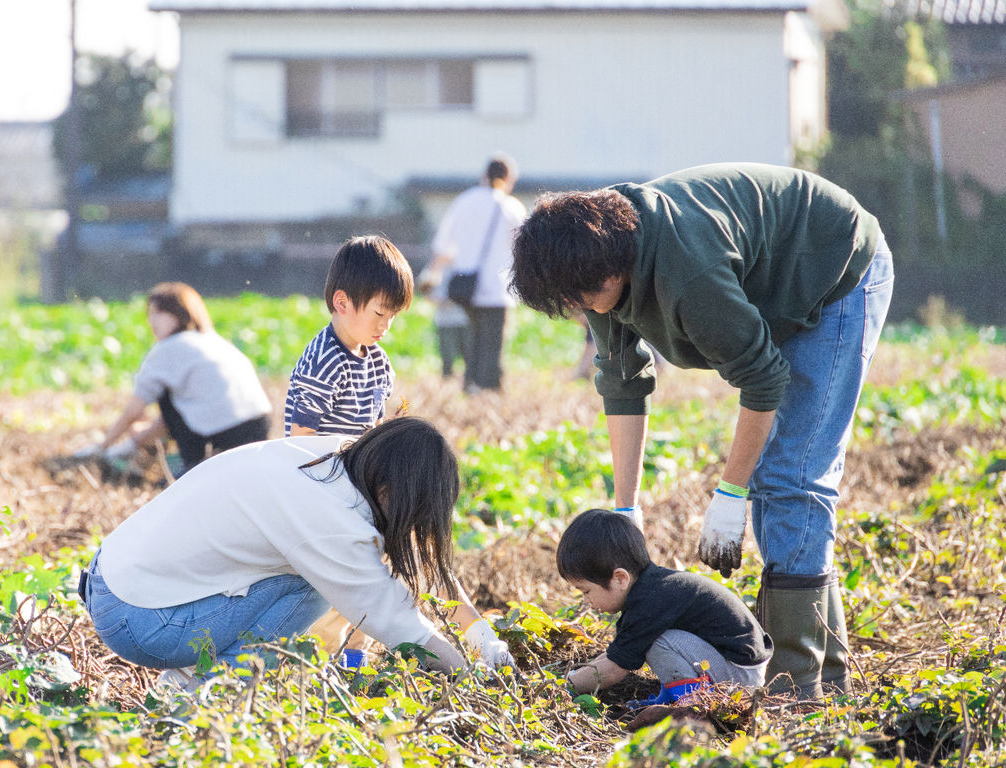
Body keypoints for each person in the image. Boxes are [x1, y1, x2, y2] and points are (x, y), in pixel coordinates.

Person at [510, 162, 895, 699]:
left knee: (791, 477)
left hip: (834, 269)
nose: (580, 314)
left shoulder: (685, 275)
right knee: (779, 479)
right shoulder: (595, 258)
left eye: (581, 302)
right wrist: (627, 508)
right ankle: (802, 664)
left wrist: (730, 494)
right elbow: (623, 384)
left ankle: (804, 686)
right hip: (768, 281)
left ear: (611, 272)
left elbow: (763, 379)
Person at [79, 417, 515, 690]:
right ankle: (212, 693)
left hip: (120, 582)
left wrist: (483, 639)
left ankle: (190, 677)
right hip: (136, 618)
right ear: (392, 491)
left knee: (318, 578)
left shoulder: (339, 459)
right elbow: (392, 620)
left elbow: (422, 559)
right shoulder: (327, 518)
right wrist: (469, 676)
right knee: (315, 586)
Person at [559, 509, 772, 700]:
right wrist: (576, 675)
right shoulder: (653, 589)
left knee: (658, 642)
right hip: (735, 664)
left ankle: (692, 705)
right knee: (655, 639)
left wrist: (564, 687)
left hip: (740, 676)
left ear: (620, 579)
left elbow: (614, 668)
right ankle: (675, 696)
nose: (586, 600)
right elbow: (617, 653)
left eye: (586, 591)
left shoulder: (649, 602)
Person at [73, 282, 272, 476]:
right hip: (259, 426)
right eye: (150, 314)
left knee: (165, 397)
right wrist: (137, 441)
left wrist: (103, 447)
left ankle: (191, 467)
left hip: (221, 433)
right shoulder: (213, 340)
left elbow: (135, 409)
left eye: (158, 313)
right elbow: (182, 414)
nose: (151, 321)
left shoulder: (168, 348)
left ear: (179, 314)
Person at [284, 236, 413, 437]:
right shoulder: (325, 362)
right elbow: (301, 436)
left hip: (356, 466)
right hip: (317, 466)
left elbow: (374, 429)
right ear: (342, 303)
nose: (386, 325)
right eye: (379, 313)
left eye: (393, 315)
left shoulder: (379, 363)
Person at [422, 155, 527, 393]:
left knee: (473, 341)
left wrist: (433, 274)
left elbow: (443, 246)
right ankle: (486, 390)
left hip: (465, 287)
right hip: (497, 289)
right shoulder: (510, 206)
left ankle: (470, 387)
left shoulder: (464, 201)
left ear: (485, 175)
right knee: (493, 344)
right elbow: (523, 247)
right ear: (508, 178)